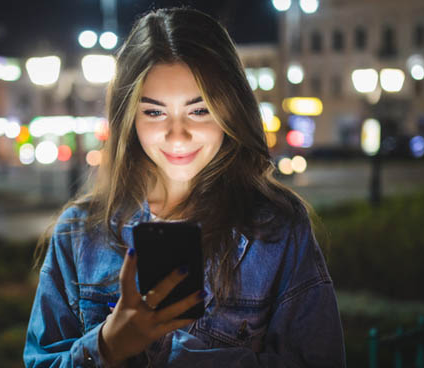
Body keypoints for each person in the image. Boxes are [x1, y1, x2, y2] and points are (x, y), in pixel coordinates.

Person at [24, 7, 345, 367]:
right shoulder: (80, 233)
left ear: (230, 109)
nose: (178, 135)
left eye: (199, 109)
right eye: (154, 112)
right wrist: (107, 345)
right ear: (128, 118)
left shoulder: (275, 226)